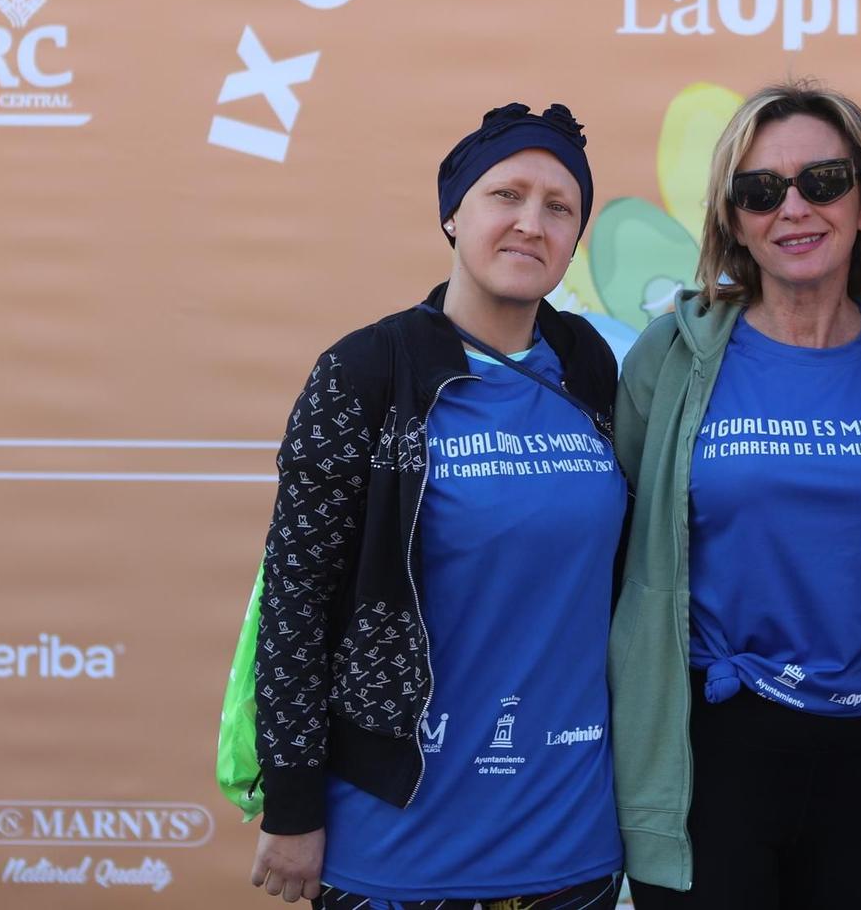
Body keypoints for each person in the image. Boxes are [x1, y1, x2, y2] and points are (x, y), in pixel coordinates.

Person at [248, 102, 627, 910]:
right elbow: (295, 603)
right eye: (507, 195)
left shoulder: (590, 365)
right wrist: (292, 805)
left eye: (560, 207)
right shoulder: (367, 370)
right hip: (396, 843)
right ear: (453, 212)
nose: (532, 222)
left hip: (572, 845)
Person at [608, 80, 861, 910]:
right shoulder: (673, 356)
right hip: (709, 747)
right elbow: (617, 543)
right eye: (760, 191)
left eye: (823, 181)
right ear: (734, 221)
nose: (793, 207)